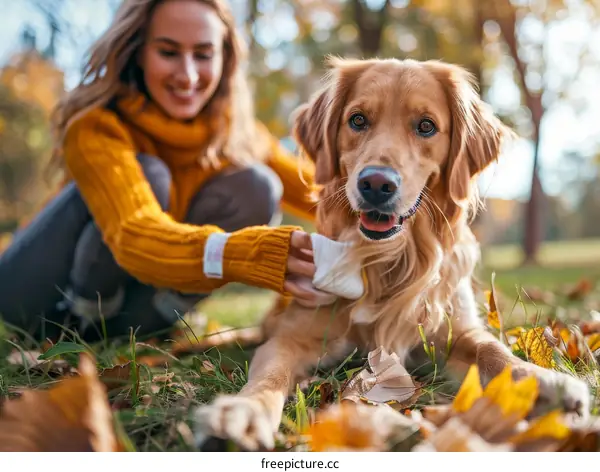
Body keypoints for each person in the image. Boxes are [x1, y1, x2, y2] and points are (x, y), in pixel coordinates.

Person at [0, 0, 331, 342]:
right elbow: (134, 234)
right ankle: (79, 321)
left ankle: (132, 327)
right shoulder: (97, 127)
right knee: (151, 175)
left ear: (225, 59)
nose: (187, 75)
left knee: (259, 186)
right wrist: (246, 253)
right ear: (138, 52)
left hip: (133, 317)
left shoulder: (236, 132)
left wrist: (384, 218)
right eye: (169, 52)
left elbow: (320, 194)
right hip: (38, 298)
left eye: (203, 54)